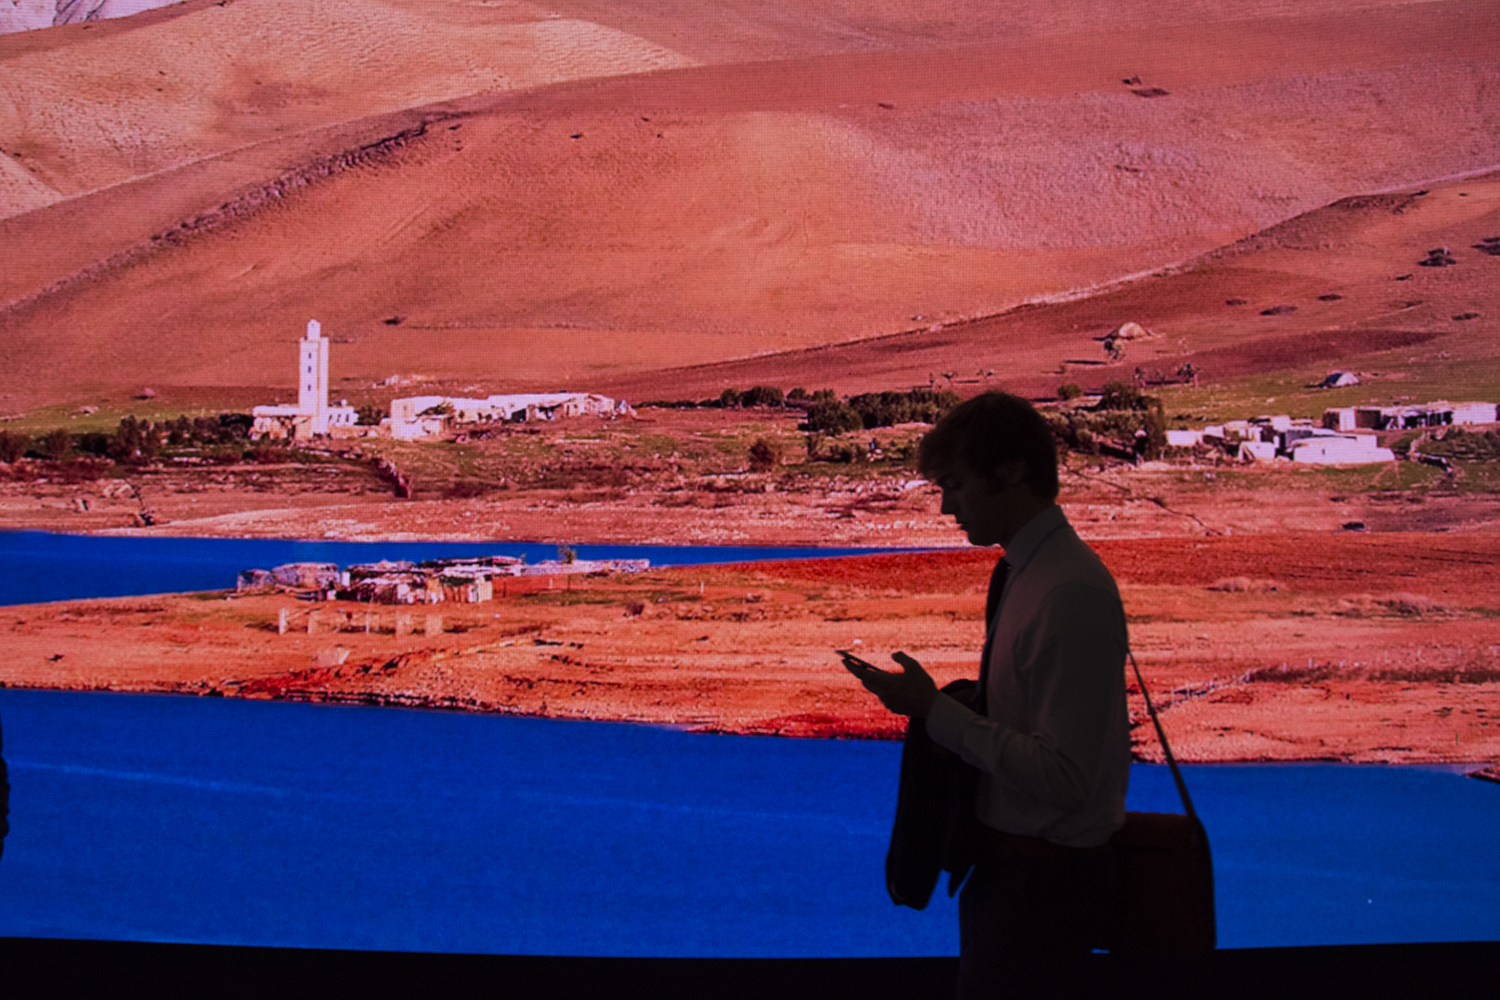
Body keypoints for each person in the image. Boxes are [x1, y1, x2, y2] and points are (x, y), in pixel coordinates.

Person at [843, 392, 1130, 999]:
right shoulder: (1030, 573)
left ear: (1011, 471)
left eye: (954, 484)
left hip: (1039, 893)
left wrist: (936, 712)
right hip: (1019, 880)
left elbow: (1067, 778)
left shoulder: (1066, 592)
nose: (947, 507)